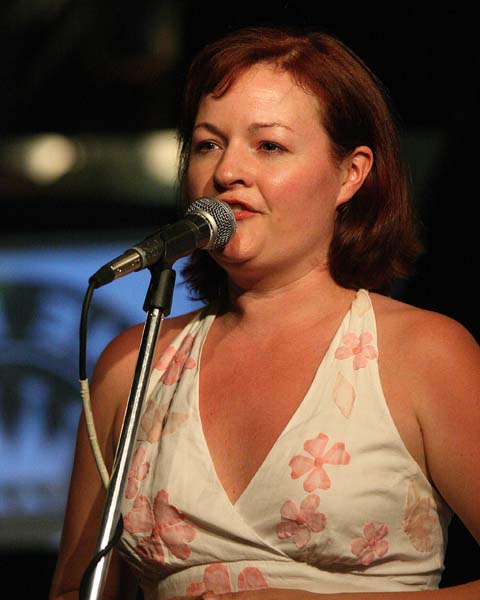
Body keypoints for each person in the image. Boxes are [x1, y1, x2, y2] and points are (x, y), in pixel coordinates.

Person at [50, 25, 480, 599]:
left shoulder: (423, 354)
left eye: (269, 146)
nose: (227, 171)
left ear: (350, 174)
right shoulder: (134, 364)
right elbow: (73, 589)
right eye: (208, 144)